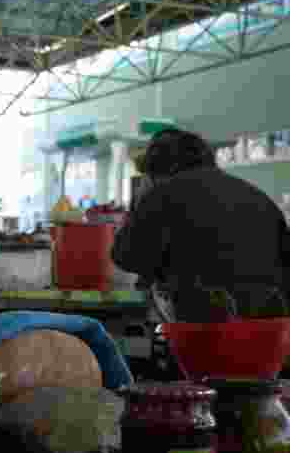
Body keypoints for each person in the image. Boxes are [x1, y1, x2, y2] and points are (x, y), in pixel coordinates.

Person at [112, 128, 289, 321]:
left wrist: (140, 201)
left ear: (155, 172)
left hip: (203, 332)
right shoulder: (259, 198)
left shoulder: (162, 196)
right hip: (270, 331)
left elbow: (125, 256)